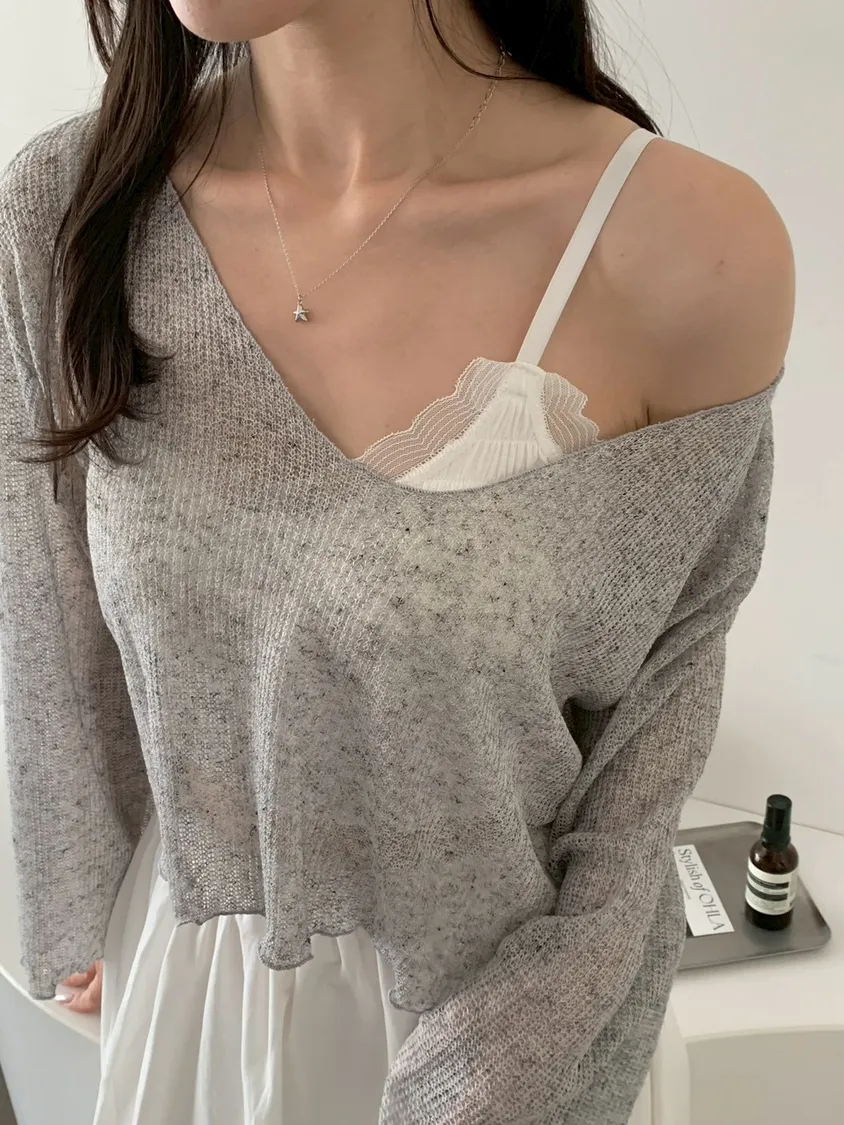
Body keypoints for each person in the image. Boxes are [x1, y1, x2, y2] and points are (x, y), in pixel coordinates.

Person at [0, 0, 794, 1122]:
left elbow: (649, 747)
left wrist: (491, 1076)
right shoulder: (72, 207)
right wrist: (84, 905)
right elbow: (54, 630)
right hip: (190, 1005)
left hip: (503, 1028)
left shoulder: (682, 245)